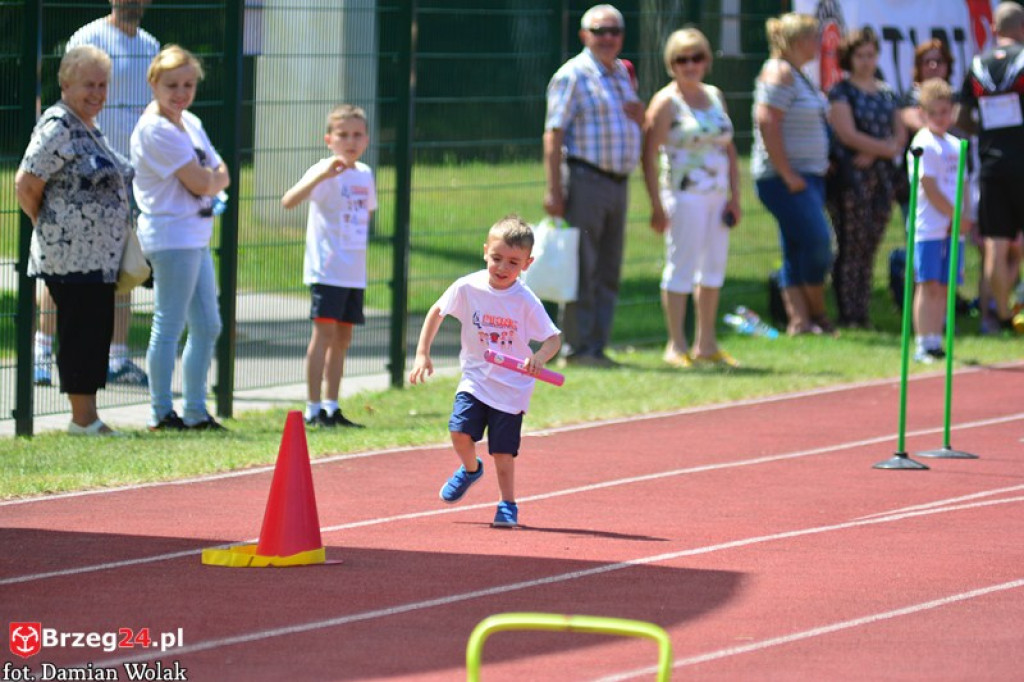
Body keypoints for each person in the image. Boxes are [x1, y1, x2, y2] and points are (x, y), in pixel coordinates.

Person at [34, 0, 159, 388]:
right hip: (82, 170)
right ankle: (42, 351)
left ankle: (117, 356)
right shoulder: (89, 36)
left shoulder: (150, 45)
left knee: (124, 263)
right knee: (64, 267)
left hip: (126, 174)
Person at [408, 215, 561, 529]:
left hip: (512, 387)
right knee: (459, 431)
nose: (503, 268)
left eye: (513, 262)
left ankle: (507, 504)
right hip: (476, 379)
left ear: (527, 264)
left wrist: (540, 357)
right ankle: (470, 468)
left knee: (503, 453)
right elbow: (436, 312)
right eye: (497, 259)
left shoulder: (525, 301)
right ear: (485, 252)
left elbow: (553, 338)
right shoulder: (468, 287)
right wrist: (422, 353)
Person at [15, 45, 133, 435]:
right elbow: (27, 183)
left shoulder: (88, 126)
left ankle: (89, 415)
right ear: (66, 83)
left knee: (95, 331)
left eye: (102, 85)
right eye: (88, 85)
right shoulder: (58, 126)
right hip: (69, 256)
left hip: (98, 257)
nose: (97, 93)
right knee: (81, 332)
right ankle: (82, 419)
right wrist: (47, 224)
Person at [131, 45, 229, 431]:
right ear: (154, 82)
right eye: (172, 84)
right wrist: (213, 180)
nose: (181, 93)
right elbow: (204, 179)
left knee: (208, 325)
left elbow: (219, 171)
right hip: (171, 236)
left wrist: (213, 180)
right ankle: (161, 412)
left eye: (188, 84)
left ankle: (195, 411)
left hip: (196, 234)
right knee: (169, 324)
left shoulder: (190, 121)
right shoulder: (155, 129)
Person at [543, 4, 643, 367]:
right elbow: (553, 135)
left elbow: (633, 121)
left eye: (614, 31)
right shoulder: (573, 75)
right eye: (599, 31)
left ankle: (597, 345)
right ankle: (576, 347)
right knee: (582, 267)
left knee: (608, 268)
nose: (607, 38)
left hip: (618, 182)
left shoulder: (621, 74)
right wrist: (554, 188)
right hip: (585, 179)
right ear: (584, 35)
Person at [642, 28, 741, 368]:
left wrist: (735, 197)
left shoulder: (714, 95)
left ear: (707, 61)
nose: (690, 65)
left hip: (717, 197)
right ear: (671, 64)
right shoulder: (666, 101)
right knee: (681, 267)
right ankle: (676, 344)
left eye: (696, 57)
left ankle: (707, 343)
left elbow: (729, 150)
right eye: (682, 59)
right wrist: (656, 204)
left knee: (713, 270)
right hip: (684, 197)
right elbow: (649, 153)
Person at [281, 104, 376, 428]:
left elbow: (367, 214)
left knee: (343, 339)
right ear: (329, 139)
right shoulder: (323, 170)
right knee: (322, 334)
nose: (351, 141)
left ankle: (333, 407)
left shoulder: (365, 173)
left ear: (366, 139)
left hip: (354, 272)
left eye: (357, 134)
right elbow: (289, 200)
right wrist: (323, 175)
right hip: (327, 270)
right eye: (343, 134)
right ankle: (313, 407)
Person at [751, 12, 835, 335]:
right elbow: (767, 121)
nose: (817, 43)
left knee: (796, 247)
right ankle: (819, 314)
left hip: (807, 176)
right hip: (785, 178)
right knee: (818, 242)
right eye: (812, 37)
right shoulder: (778, 71)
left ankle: (799, 320)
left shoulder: (798, 74)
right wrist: (787, 173)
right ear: (797, 41)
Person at [826, 27, 906, 330]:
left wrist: (878, 153)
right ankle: (848, 314)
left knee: (871, 244)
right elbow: (847, 133)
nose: (865, 61)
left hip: (883, 180)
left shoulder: (886, 92)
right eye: (860, 55)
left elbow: (899, 135)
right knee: (851, 245)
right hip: (852, 181)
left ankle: (863, 312)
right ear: (850, 57)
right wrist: (881, 148)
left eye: (870, 55)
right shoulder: (841, 92)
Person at [957, 1, 1024, 334]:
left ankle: (998, 316)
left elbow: (960, 117)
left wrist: (984, 131)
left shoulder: (977, 65)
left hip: (991, 165)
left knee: (995, 246)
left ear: (995, 29)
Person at [908, 79, 971, 362]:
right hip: (930, 227)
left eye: (945, 112)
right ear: (923, 113)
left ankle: (936, 339)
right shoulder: (923, 143)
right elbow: (929, 186)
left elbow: (964, 184)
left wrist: (965, 215)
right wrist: (952, 214)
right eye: (934, 113)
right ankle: (923, 341)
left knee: (945, 285)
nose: (940, 118)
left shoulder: (957, 145)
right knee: (928, 283)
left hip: (953, 227)